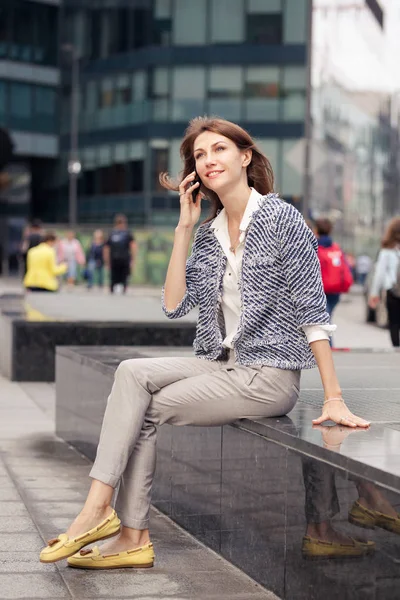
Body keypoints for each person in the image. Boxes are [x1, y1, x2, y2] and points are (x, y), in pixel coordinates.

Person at [39, 117, 370, 570]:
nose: (209, 160)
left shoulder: (281, 219)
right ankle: (110, 518)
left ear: (245, 156)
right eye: (199, 155)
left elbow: (314, 312)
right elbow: (174, 305)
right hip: (222, 365)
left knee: (144, 410)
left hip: (269, 376)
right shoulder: (209, 236)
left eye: (219, 149)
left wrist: (333, 397)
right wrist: (184, 229)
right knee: (131, 373)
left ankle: (113, 522)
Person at [369, 216, 400, 347]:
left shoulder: (387, 251)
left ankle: (397, 350)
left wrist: (374, 293)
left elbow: (379, 274)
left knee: (394, 323)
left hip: (392, 291)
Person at [314, 218, 353, 320]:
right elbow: (346, 267)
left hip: (321, 291)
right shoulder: (336, 247)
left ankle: (328, 336)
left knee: (324, 323)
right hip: (336, 291)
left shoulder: (315, 247)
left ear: (316, 230)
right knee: (327, 318)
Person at [104, 214, 137, 294]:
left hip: (124, 259)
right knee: (113, 276)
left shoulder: (128, 233)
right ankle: (112, 288)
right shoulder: (112, 233)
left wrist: (133, 259)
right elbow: (106, 248)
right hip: (114, 259)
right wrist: (107, 260)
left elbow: (133, 246)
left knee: (124, 275)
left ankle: (124, 288)